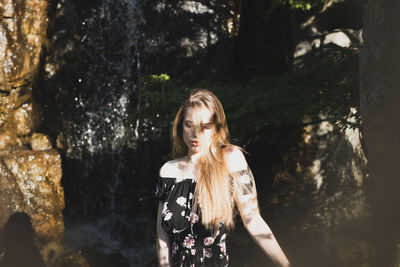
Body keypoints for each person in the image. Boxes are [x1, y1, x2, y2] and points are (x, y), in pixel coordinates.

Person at [155, 89, 290, 267]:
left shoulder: (230, 159)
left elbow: (254, 220)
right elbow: (162, 236)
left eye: (205, 127)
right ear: (180, 126)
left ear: (217, 128)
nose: (196, 134)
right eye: (189, 125)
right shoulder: (168, 171)